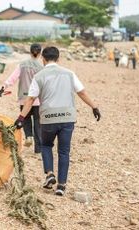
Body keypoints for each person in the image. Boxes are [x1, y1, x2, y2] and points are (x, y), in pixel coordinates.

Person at [14, 46, 101, 196]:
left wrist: (21, 118)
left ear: (43, 59)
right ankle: (61, 186)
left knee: (46, 145)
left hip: (48, 118)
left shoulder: (39, 76)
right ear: (58, 58)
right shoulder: (69, 74)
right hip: (67, 118)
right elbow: (82, 92)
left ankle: (49, 174)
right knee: (64, 151)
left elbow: (30, 99)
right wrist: (94, 107)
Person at [0, 44, 43, 153]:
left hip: (24, 98)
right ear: (40, 53)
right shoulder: (42, 67)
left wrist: (3, 88)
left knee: (25, 119)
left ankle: (28, 136)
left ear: (30, 52)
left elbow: (12, 78)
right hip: (37, 99)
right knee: (37, 122)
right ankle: (38, 148)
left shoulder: (22, 65)